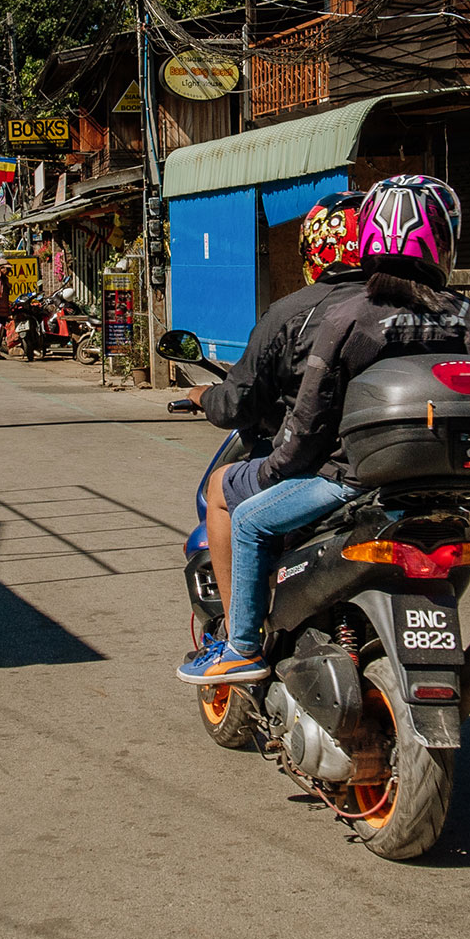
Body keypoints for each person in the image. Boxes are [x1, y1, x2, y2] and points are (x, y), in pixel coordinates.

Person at [178, 176, 470, 685]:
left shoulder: (348, 316)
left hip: (353, 480)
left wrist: (271, 473)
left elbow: (309, 422)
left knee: (245, 519)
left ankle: (240, 647)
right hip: (444, 489)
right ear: (446, 237)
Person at [182, 192, 368, 650]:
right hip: (402, 465)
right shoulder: (415, 306)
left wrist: (205, 397)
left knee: (224, 494)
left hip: (328, 467)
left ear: (314, 249)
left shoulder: (294, 313)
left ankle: (239, 641)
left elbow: (237, 402)